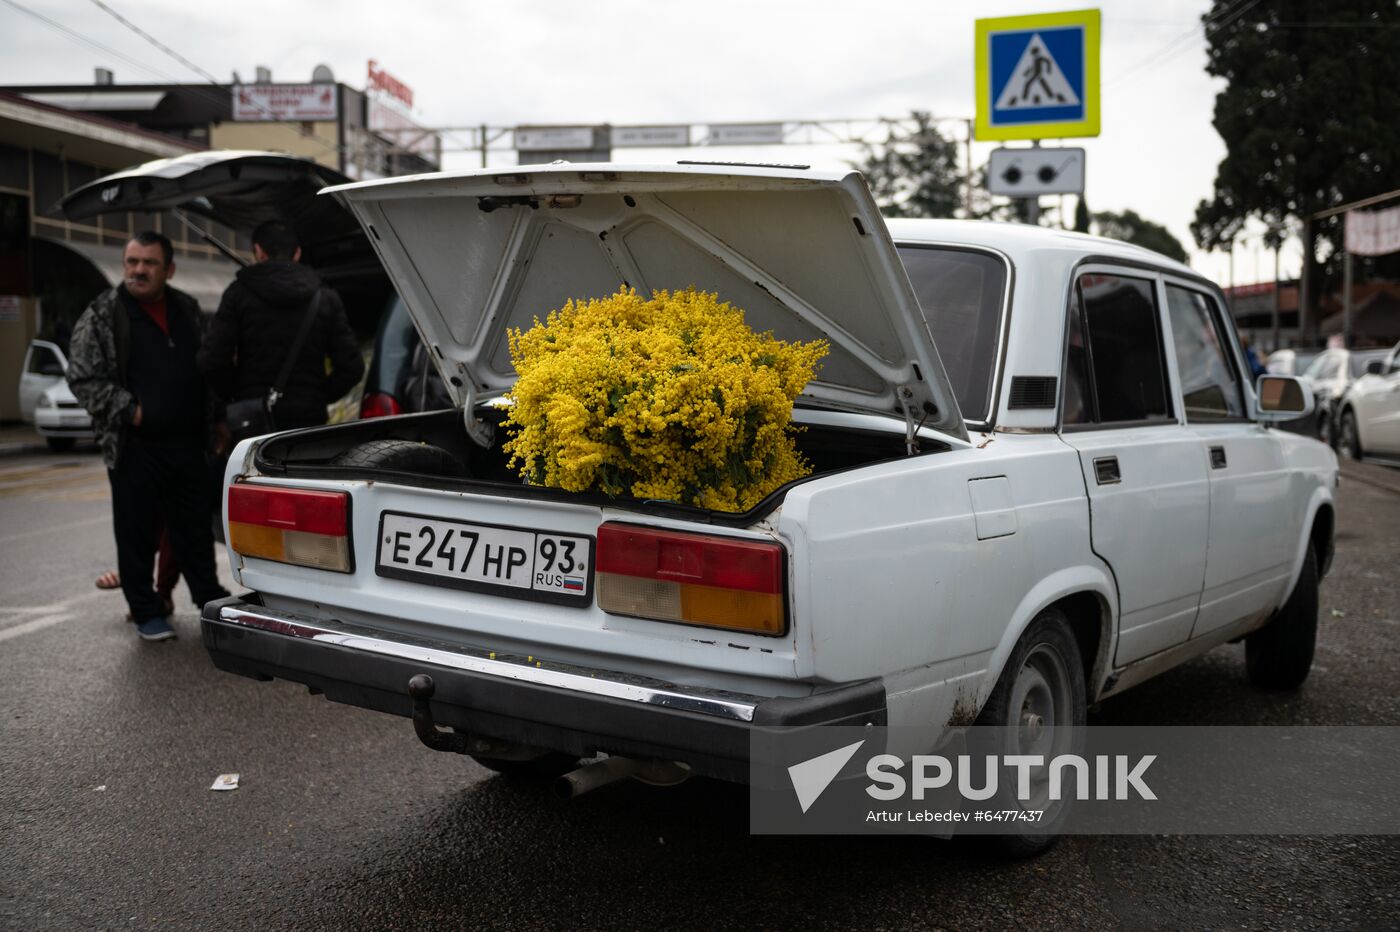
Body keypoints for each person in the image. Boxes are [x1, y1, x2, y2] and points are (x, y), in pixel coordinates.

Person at [67, 232, 230, 642]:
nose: (138, 270)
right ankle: (146, 610)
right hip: (135, 446)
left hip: (188, 443)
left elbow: (207, 370)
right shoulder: (104, 313)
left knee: (192, 529)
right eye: (132, 262)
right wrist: (131, 411)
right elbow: (82, 377)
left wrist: (217, 421)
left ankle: (209, 599)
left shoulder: (187, 309)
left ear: (169, 269)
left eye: (149, 263)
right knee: (136, 531)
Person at [199, 219, 364, 437]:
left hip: (253, 420)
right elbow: (352, 367)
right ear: (297, 253)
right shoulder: (325, 297)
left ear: (258, 251)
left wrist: (241, 395)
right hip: (308, 422)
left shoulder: (238, 294)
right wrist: (317, 395)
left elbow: (211, 361)